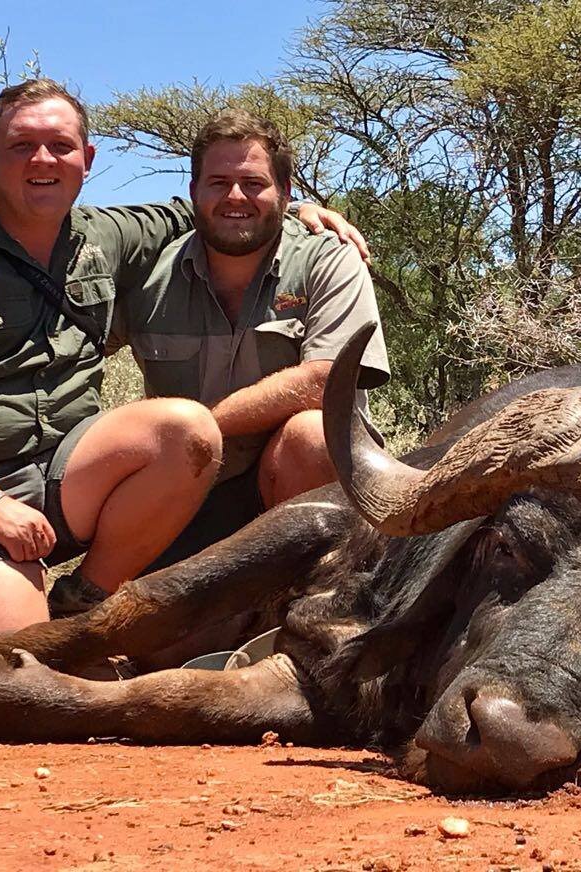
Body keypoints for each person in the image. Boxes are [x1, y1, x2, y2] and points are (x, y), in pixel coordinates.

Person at [0, 79, 361, 660]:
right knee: (16, 658)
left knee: (187, 430)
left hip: (62, 477)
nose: (43, 160)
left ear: (86, 161)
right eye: (21, 147)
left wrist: (298, 209)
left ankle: (89, 599)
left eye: (61, 146)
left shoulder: (109, 237)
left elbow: (216, 208)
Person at [102, 109, 390, 582]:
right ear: (194, 191)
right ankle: (93, 596)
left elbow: (326, 382)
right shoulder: (148, 273)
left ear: (287, 192)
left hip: (297, 485)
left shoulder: (329, 257)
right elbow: (66, 346)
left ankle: (320, 603)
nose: (235, 197)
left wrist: (196, 430)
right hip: (186, 494)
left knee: (313, 435)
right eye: (217, 183)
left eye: (253, 183)